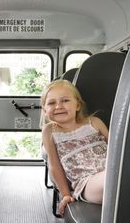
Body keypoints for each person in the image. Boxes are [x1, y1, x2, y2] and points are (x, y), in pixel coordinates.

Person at [41, 79, 108, 216]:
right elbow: (54, 165)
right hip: (87, 182)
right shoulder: (50, 131)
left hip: (111, 169)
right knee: (111, 179)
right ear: (45, 110)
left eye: (65, 100)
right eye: (51, 103)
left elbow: (117, 149)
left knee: (118, 174)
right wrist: (65, 194)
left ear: (78, 105)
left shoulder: (94, 122)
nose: (58, 106)